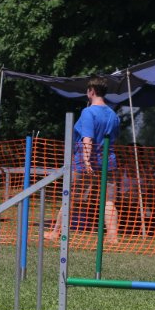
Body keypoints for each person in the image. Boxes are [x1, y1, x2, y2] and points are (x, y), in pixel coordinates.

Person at [45, 75, 120, 244]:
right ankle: (113, 236)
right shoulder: (113, 114)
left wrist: (86, 161)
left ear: (91, 91)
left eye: (87, 90)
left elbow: (87, 139)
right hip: (108, 161)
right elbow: (114, 138)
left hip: (85, 162)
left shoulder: (88, 112)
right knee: (109, 200)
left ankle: (56, 233)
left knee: (70, 197)